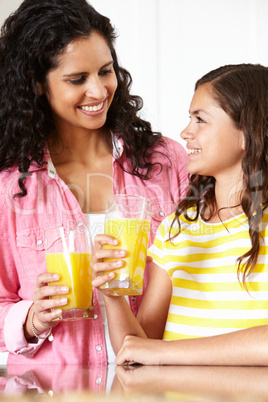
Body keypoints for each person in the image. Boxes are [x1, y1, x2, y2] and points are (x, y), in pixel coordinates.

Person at [0, 0, 188, 365]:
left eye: (105, 71)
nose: (99, 91)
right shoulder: (11, 187)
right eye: (77, 79)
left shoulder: (165, 162)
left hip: (158, 384)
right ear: (37, 85)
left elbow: (204, 271)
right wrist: (30, 319)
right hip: (58, 385)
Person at [92, 63, 268, 366]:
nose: (185, 132)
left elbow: (154, 352)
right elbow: (138, 349)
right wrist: (112, 294)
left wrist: (164, 353)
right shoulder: (179, 227)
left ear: (248, 133)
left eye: (200, 119)